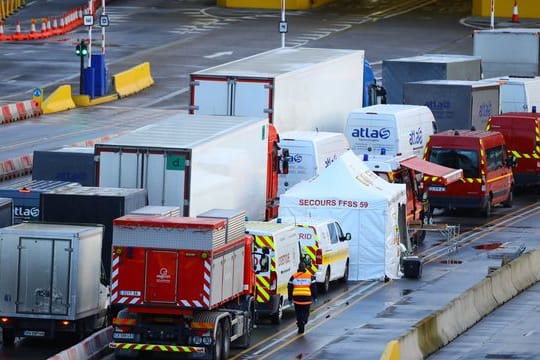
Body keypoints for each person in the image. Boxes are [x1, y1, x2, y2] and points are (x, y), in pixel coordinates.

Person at [288, 261, 318, 334]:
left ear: (298, 268)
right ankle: (304, 321)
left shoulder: (293, 277)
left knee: (298, 313)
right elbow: (313, 288)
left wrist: (290, 299)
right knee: (306, 313)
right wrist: (315, 297)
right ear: (305, 268)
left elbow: (289, 288)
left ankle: (300, 323)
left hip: (297, 298)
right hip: (306, 298)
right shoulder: (310, 276)